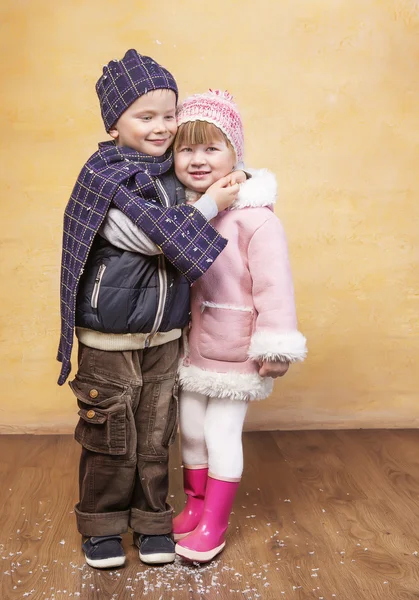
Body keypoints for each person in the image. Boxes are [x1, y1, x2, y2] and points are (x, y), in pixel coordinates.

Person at [57, 51, 241, 569]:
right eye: (146, 116)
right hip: (109, 338)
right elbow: (148, 238)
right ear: (115, 123)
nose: (161, 127)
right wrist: (209, 206)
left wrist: (239, 183)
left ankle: (152, 520)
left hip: (164, 335)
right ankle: (102, 525)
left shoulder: (176, 173)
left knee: (156, 433)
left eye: (169, 114)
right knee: (111, 435)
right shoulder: (105, 176)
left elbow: (225, 166)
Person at [170, 90, 308, 562]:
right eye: (186, 148)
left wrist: (277, 346)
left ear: (236, 154)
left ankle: (215, 523)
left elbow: (275, 287)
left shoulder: (255, 220)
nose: (198, 159)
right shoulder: (189, 211)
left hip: (238, 348)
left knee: (220, 432)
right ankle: (194, 505)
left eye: (211, 147)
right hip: (195, 348)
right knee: (189, 428)